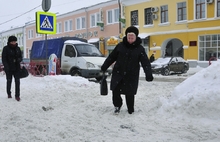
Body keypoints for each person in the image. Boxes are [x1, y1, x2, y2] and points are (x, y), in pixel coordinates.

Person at [101, 26, 153, 114]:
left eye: (132, 37)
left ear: (136, 37)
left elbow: (145, 63)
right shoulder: (120, 46)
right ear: (126, 37)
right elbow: (111, 57)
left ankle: (130, 109)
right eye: (129, 37)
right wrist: (104, 67)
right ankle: (117, 106)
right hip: (118, 73)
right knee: (115, 90)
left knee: (130, 93)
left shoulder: (140, 49)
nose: (130, 39)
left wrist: (148, 74)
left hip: (131, 75)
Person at [2, 36, 22, 101]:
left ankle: (17, 95)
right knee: (9, 81)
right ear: (9, 42)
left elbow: (21, 57)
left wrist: (18, 59)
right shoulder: (6, 49)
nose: (14, 43)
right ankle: (9, 93)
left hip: (16, 68)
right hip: (9, 68)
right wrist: (6, 67)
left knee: (17, 82)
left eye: (15, 41)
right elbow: (4, 59)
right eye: (12, 42)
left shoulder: (18, 48)